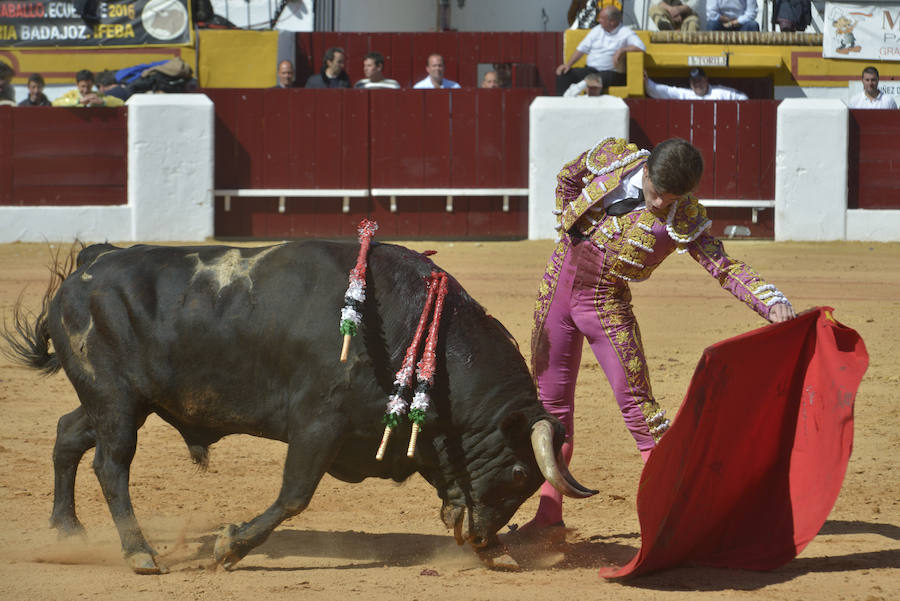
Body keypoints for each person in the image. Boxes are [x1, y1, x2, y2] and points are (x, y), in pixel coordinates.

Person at [522, 137, 796, 533]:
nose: (660, 206)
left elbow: (723, 265)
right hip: (556, 293)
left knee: (640, 411)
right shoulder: (612, 159)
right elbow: (568, 176)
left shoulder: (683, 216)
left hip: (605, 303)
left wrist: (770, 302)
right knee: (551, 409)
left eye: (671, 200)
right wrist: (568, 225)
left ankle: (681, 517)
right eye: (656, 195)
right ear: (646, 170)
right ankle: (548, 515)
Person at [555, 5, 645, 96]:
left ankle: (579, 90)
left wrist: (622, 50)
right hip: (591, 70)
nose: (598, 20)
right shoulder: (597, 30)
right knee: (565, 75)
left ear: (612, 22)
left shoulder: (626, 32)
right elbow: (581, 49)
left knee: (595, 80)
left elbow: (641, 47)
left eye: (602, 18)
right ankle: (561, 103)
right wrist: (568, 65)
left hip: (612, 73)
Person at [644, 68, 748, 100]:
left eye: (700, 80)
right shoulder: (685, 94)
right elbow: (665, 91)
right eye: (694, 81)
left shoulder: (720, 92)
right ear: (690, 84)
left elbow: (743, 98)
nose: (697, 84)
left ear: (706, 80)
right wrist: (647, 82)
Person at [51, 70, 125, 107]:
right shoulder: (71, 95)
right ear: (77, 84)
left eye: (88, 86)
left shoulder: (97, 96)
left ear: (92, 84)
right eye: (83, 86)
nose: (86, 90)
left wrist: (103, 102)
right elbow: (55, 103)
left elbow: (120, 103)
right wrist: (78, 101)